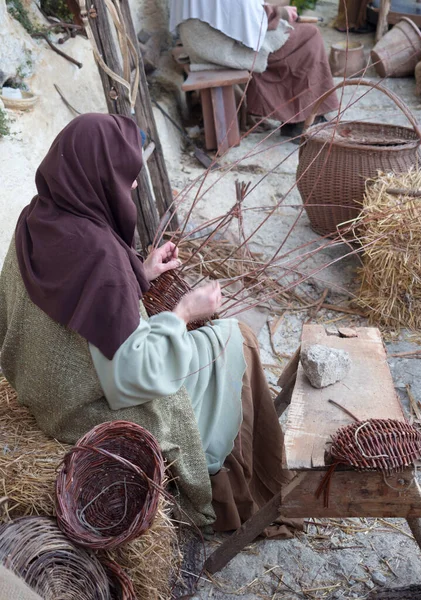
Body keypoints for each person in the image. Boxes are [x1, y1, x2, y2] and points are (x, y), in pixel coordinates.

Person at [0, 113, 295, 533]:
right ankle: (247, 495)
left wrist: (138, 273)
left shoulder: (33, 220)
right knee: (237, 339)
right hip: (85, 411)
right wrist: (185, 313)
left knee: (224, 340)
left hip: (44, 393)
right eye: (127, 174)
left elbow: (74, 301)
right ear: (98, 175)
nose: (134, 184)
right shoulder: (100, 256)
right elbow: (135, 377)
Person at [169, 0, 339, 142]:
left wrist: (271, 12)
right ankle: (304, 121)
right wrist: (280, 13)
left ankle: (294, 117)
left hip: (199, 42)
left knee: (291, 33)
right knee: (308, 35)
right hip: (219, 47)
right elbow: (249, 21)